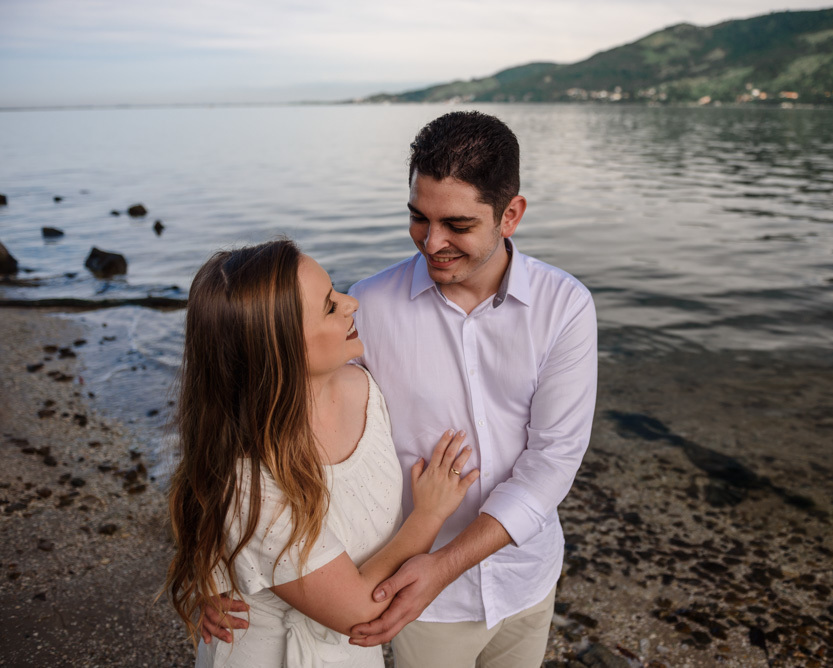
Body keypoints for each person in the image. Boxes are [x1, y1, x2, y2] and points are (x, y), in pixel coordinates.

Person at [205, 111, 598, 667]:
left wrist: (445, 563)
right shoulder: (369, 307)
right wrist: (213, 563)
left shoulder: (565, 307)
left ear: (511, 214)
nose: (431, 242)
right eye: (419, 218)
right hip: (414, 602)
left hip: (525, 575)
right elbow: (251, 408)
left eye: (457, 225)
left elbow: (554, 459)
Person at [165, 239, 479, 667]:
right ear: (278, 348)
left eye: (336, 292)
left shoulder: (363, 387)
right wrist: (428, 516)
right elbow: (360, 611)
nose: (352, 303)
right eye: (330, 306)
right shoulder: (249, 479)